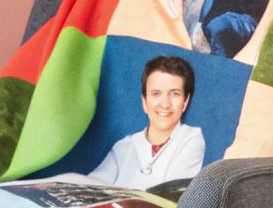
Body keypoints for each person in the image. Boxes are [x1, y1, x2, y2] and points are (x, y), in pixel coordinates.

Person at [88, 56, 206, 190]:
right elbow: (90, 187)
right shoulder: (123, 147)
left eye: (174, 94)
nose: (165, 104)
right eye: (156, 94)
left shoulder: (191, 138)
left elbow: (171, 197)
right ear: (144, 101)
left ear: (185, 101)